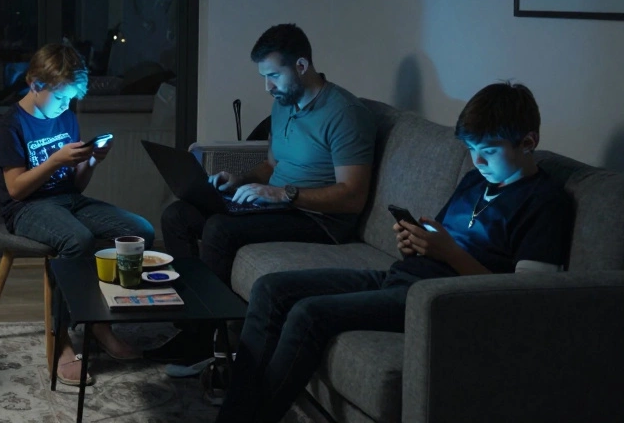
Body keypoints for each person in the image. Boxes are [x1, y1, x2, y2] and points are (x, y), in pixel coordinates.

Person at [215, 82, 573, 422]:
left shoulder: (545, 203)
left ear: (528, 142)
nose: (478, 162)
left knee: (309, 314)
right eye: (471, 149)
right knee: (271, 288)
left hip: (438, 301)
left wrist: (448, 253)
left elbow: (526, 301)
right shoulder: (476, 180)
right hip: (403, 277)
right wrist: (416, 241)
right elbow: (443, 234)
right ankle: (237, 408)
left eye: (489, 151)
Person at [149, 24, 375, 369]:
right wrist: (239, 181)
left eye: (273, 75)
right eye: (263, 76)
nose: (267, 87)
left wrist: (284, 194)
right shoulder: (284, 104)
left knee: (221, 229)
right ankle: (191, 321)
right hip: (280, 204)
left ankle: (204, 341)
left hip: (320, 220)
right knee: (177, 215)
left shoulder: (345, 114)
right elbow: (271, 165)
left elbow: (352, 198)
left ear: (301, 66)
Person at [0, 42, 155, 385]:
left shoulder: (65, 117)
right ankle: (60, 338)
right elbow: (15, 189)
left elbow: (76, 187)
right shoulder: (11, 125)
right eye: (62, 97)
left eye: (71, 100)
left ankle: (100, 322)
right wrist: (53, 161)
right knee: (77, 240)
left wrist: (94, 159)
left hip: (68, 200)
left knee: (139, 232)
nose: (67, 107)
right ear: (35, 84)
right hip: (26, 208)